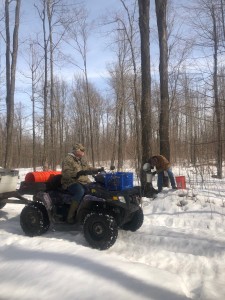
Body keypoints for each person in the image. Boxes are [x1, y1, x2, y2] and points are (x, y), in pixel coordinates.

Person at [61, 143, 100, 223]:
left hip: (83, 181)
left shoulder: (81, 159)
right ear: (76, 150)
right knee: (80, 191)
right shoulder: (68, 159)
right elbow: (65, 173)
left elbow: (88, 168)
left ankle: (88, 211)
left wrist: (98, 170)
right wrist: (77, 173)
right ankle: (70, 217)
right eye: (82, 150)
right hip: (70, 182)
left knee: (95, 189)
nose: (83, 151)